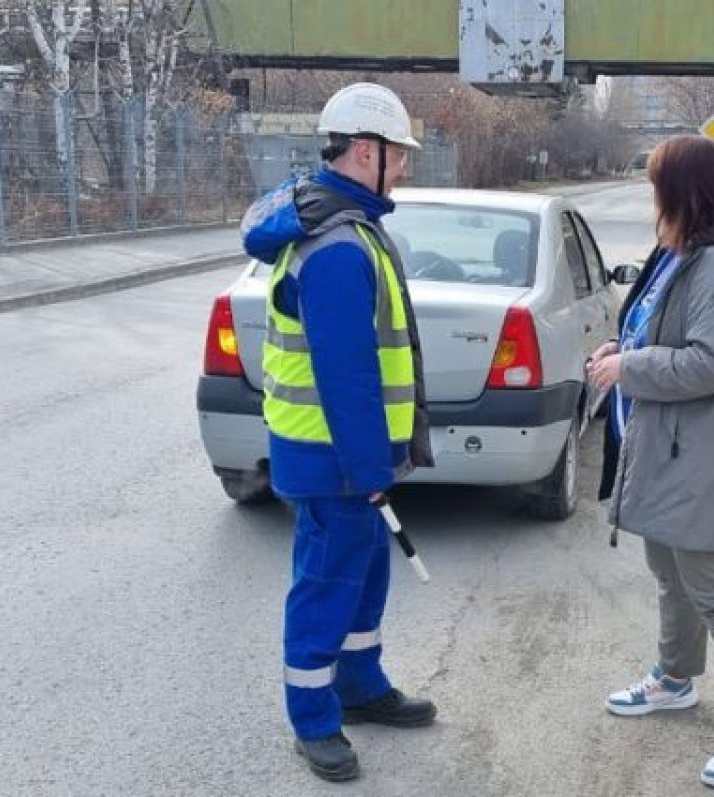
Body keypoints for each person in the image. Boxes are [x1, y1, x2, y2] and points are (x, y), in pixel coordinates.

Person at [240, 82, 436, 783]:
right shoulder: (337, 247)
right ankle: (314, 721)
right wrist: (369, 466)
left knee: (363, 570)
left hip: (344, 454)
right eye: (399, 155)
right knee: (326, 581)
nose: (405, 168)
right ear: (365, 152)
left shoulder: (346, 225)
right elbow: (346, 374)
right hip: (332, 458)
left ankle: (360, 686)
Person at [587, 135, 714, 790]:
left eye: (657, 188)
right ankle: (675, 678)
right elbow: (670, 335)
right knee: (669, 569)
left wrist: (629, 367)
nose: (651, 202)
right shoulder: (691, 257)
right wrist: (626, 346)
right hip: (674, 449)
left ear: (685, 194)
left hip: (705, 458)